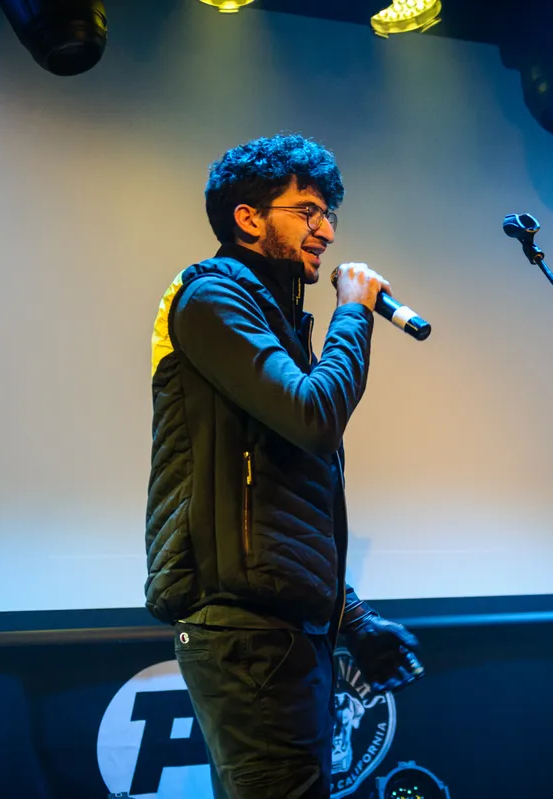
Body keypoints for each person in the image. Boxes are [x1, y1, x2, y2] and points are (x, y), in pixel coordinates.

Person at [144, 133, 424, 799]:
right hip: (245, 631)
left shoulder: (271, 318)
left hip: (281, 628)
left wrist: (351, 616)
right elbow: (315, 415)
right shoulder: (211, 298)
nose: (327, 230)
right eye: (308, 211)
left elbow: (276, 500)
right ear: (248, 218)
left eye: (330, 213)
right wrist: (353, 313)